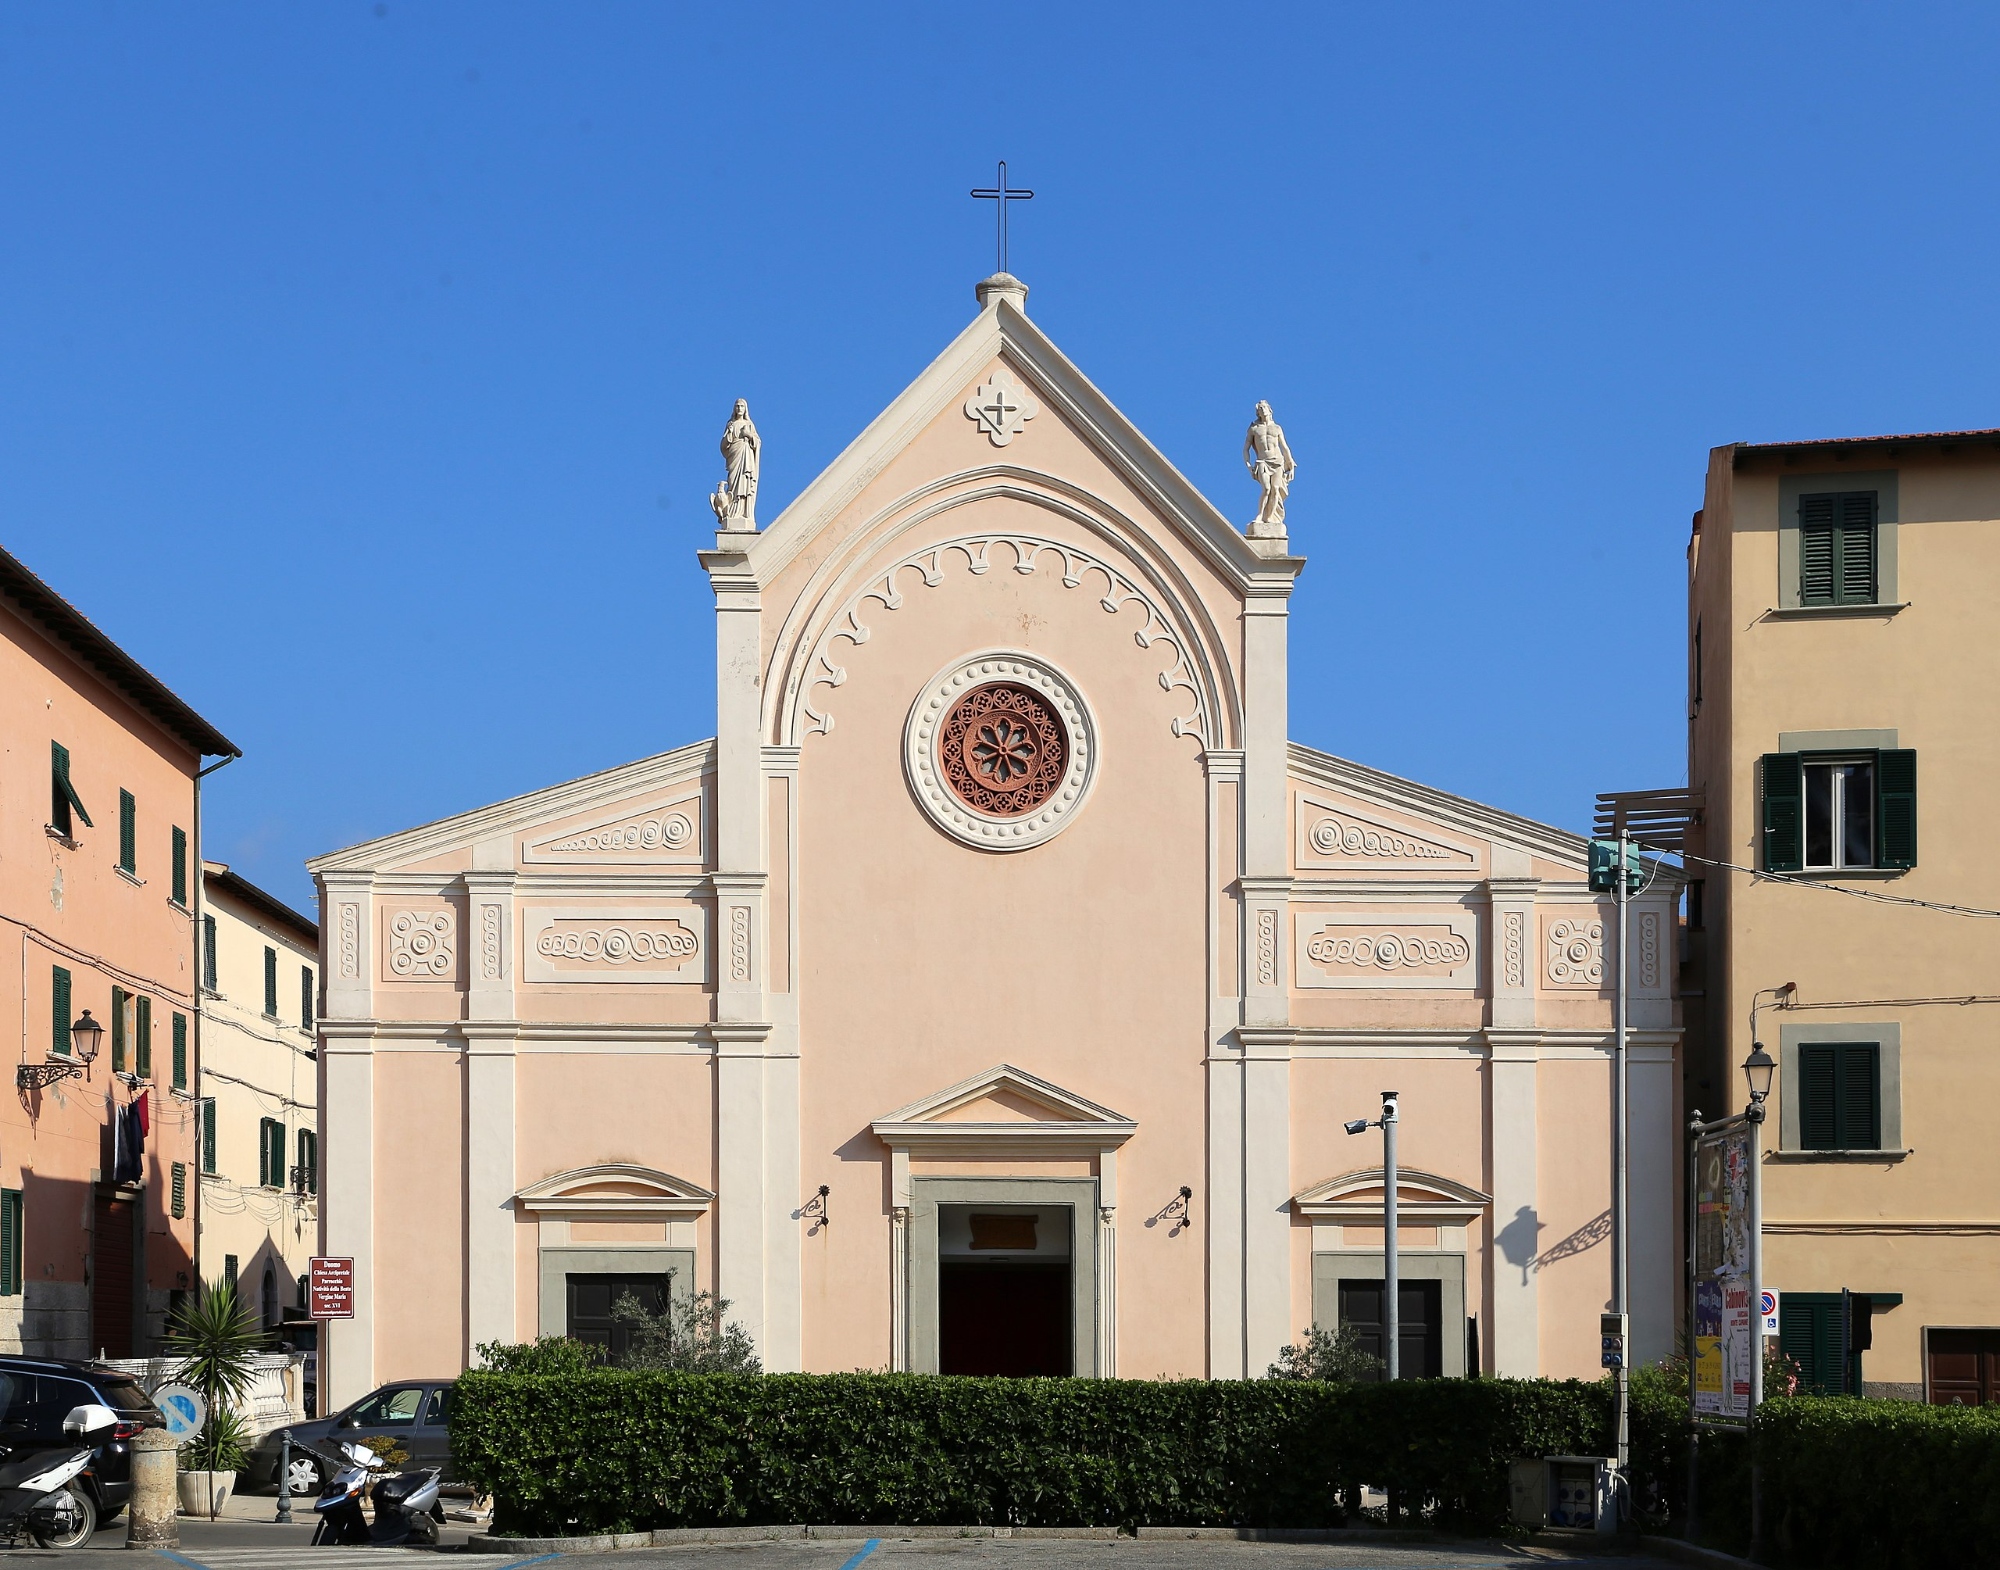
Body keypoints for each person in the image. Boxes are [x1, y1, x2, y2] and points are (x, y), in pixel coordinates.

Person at [1242, 400, 1295, 537]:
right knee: (1266, 489)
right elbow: (1246, 448)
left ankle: (1270, 518)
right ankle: (1261, 515)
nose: (1263, 410)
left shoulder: (1277, 428)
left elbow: (1284, 447)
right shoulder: (1254, 428)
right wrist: (1248, 465)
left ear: (1270, 410)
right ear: (1258, 412)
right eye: (1260, 409)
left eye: (1264, 407)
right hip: (1262, 461)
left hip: (1277, 461)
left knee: (1275, 489)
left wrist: (1291, 463)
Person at [711, 399, 761, 529]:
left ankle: (744, 512)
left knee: (745, 483)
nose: (739, 408)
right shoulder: (730, 424)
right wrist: (729, 435)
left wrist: (749, 435)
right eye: (737, 406)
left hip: (746, 456)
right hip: (735, 457)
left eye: (742, 406)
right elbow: (723, 446)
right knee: (733, 483)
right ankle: (732, 511)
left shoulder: (749, 424)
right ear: (734, 409)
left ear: (745, 409)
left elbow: (757, 442)